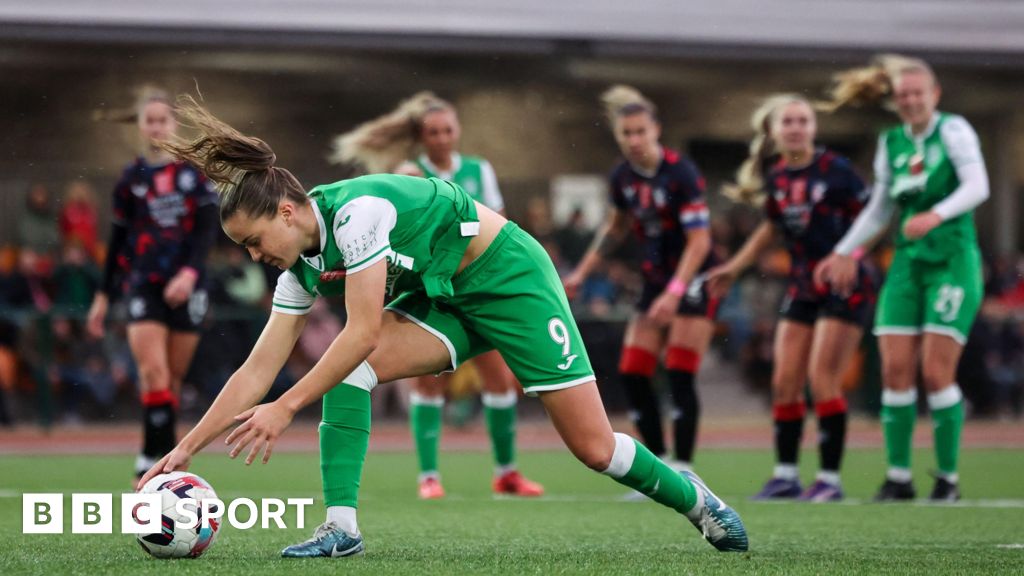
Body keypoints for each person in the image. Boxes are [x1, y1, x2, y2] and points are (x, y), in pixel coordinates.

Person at [137, 96, 748, 557]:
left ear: (289, 211)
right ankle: (341, 529)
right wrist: (186, 448)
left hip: (510, 278)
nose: (252, 256)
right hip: (447, 296)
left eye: (252, 241)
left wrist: (288, 406)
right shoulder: (298, 268)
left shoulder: (357, 215)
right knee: (355, 376)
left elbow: (363, 331)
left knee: (595, 449)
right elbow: (255, 369)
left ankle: (697, 500)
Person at [332, 91, 543, 499]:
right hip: (432, 286)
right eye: (433, 132)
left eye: (448, 130)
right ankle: (429, 476)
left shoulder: (480, 172)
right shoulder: (410, 172)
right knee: (428, 382)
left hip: (477, 284)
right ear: (421, 136)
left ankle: (507, 472)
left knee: (500, 379)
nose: (442, 138)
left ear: (457, 131)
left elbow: (499, 225)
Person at [815, 55, 989, 502]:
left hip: (952, 260)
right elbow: (879, 208)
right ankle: (898, 478)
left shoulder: (953, 129)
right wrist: (844, 252)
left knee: (935, 371)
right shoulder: (891, 141)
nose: (911, 100)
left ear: (935, 95)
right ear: (895, 100)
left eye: (918, 93)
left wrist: (935, 214)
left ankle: (947, 479)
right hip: (907, 265)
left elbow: (977, 186)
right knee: (894, 369)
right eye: (904, 94)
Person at [706, 94, 872, 502]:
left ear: (813, 128)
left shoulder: (838, 170)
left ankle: (830, 481)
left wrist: (849, 255)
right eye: (789, 122)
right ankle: (785, 476)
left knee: (823, 380)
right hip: (803, 284)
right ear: (775, 131)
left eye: (804, 120)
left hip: (844, 284)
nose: (797, 127)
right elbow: (770, 228)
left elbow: (874, 218)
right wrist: (735, 266)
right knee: (784, 380)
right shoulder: (779, 176)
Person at [563, 85, 717, 474]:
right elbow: (615, 230)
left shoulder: (681, 173)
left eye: (640, 132)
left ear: (656, 131)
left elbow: (700, 241)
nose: (633, 140)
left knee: (680, 370)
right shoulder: (622, 177)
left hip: (692, 279)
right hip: (654, 281)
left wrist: (676, 292)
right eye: (626, 133)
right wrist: (580, 273)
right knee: (633, 371)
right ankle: (661, 464)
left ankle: (685, 466)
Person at [86, 87, 219, 479]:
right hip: (143, 284)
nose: (157, 127)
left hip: (188, 285)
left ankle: (164, 460)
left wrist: (190, 273)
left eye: (164, 120)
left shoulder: (192, 174)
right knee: (154, 374)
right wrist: (102, 295)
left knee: (172, 381)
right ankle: (150, 461)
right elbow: (117, 242)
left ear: (174, 124)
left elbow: (207, 229)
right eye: (151, 120)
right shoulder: (130, 179)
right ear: (141, 126)